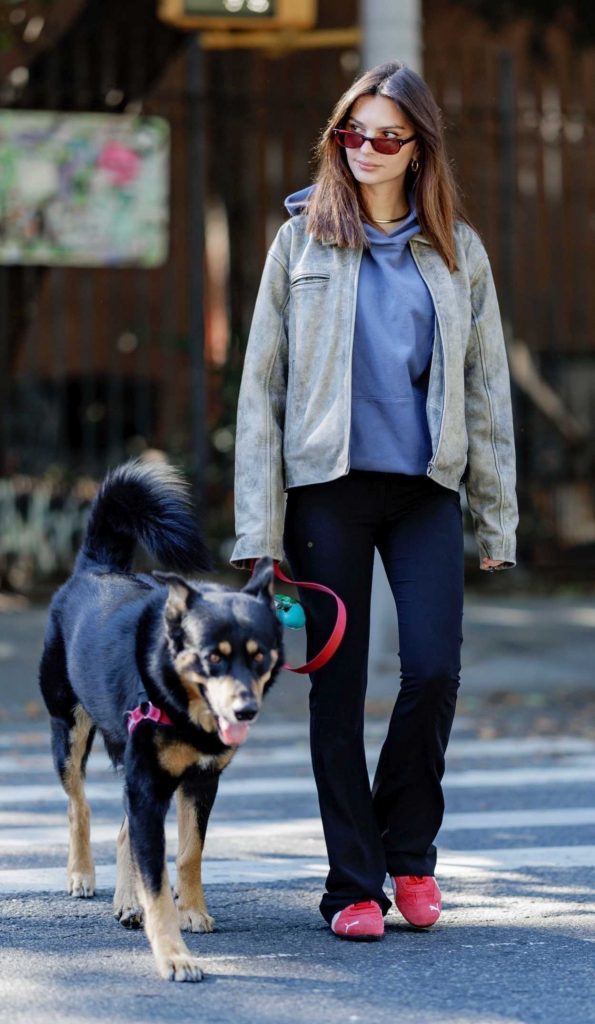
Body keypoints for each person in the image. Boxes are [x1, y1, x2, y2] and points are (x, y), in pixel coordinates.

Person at [231, 61, 518, 941]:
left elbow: (485, 389)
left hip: (424, 487)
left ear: (417, 146)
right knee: (336, 690)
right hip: (327, 491)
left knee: (433, 672)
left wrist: (494, 515)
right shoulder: (299, 243)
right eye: (351, 132)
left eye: (386, 136)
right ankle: (351, 884)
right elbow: (260, 392)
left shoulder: (457, 251)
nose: (365, 149)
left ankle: (409, 854)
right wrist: (258, 530)